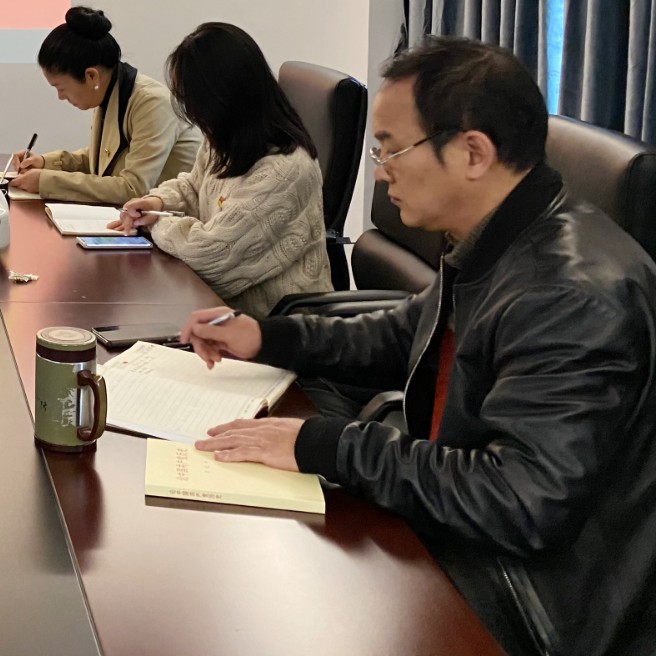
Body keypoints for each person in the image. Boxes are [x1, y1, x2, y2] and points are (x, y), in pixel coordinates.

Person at [180, 38, 656, 656]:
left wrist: (326, 445)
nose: (380, 172)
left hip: (532, 601)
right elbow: (404, 334)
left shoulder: (572, 296)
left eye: (391, 149)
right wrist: (266, 335)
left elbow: (521, 502)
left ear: (473, 153)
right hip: (466, 523)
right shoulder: (498, 237)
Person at [111, 21, 330, 316]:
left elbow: (209, 254)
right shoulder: (228, 139)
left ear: (225, 100)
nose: (194, 115)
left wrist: (155, 224)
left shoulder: (286, 171)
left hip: (275, 325)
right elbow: (194, 186)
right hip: (219, 310)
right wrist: (157, 202)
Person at [9, 6, 199, 204]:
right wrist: (46, 162)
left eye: (61, 88)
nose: (60, 97)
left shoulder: (152, 103)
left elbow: (133, 188)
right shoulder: (112, 92)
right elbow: (100, 161)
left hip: (172, 217)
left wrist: (47, 182)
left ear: (91, 76)